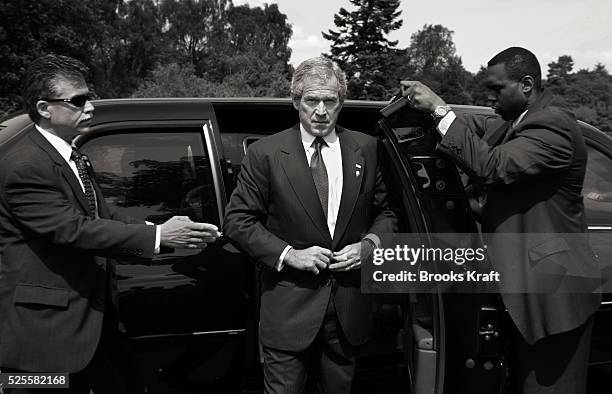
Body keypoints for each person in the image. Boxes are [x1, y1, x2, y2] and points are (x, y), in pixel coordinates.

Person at [0, 54, 221, 393]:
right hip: (45, 343)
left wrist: (161, 229)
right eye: (78, 100)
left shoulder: (72, 154)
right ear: (44, 108)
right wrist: (159, 235)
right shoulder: (24, 165)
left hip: (94, 326)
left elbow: (101, 216)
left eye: (90, 96)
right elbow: (73, 229)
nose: (90, 107)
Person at [400, 47, 601, 393]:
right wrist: (427, 113)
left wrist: (439, 108)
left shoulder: (554, 126)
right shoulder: (514, 123)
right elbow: (474, 129)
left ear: (526, 85)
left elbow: (491, 165)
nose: (488, 97)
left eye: (496, 89)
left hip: (553, 301)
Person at [223, 56, 398, 393]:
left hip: (349, 314)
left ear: (341, 103)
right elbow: (237, 220)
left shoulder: (367, 149)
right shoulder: (266, 153)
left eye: (329, 101)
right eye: (311, 101)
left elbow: (388, 212)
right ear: (295, 102)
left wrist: (370, 246)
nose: (321, 111)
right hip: (288, 313)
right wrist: (289, 254)